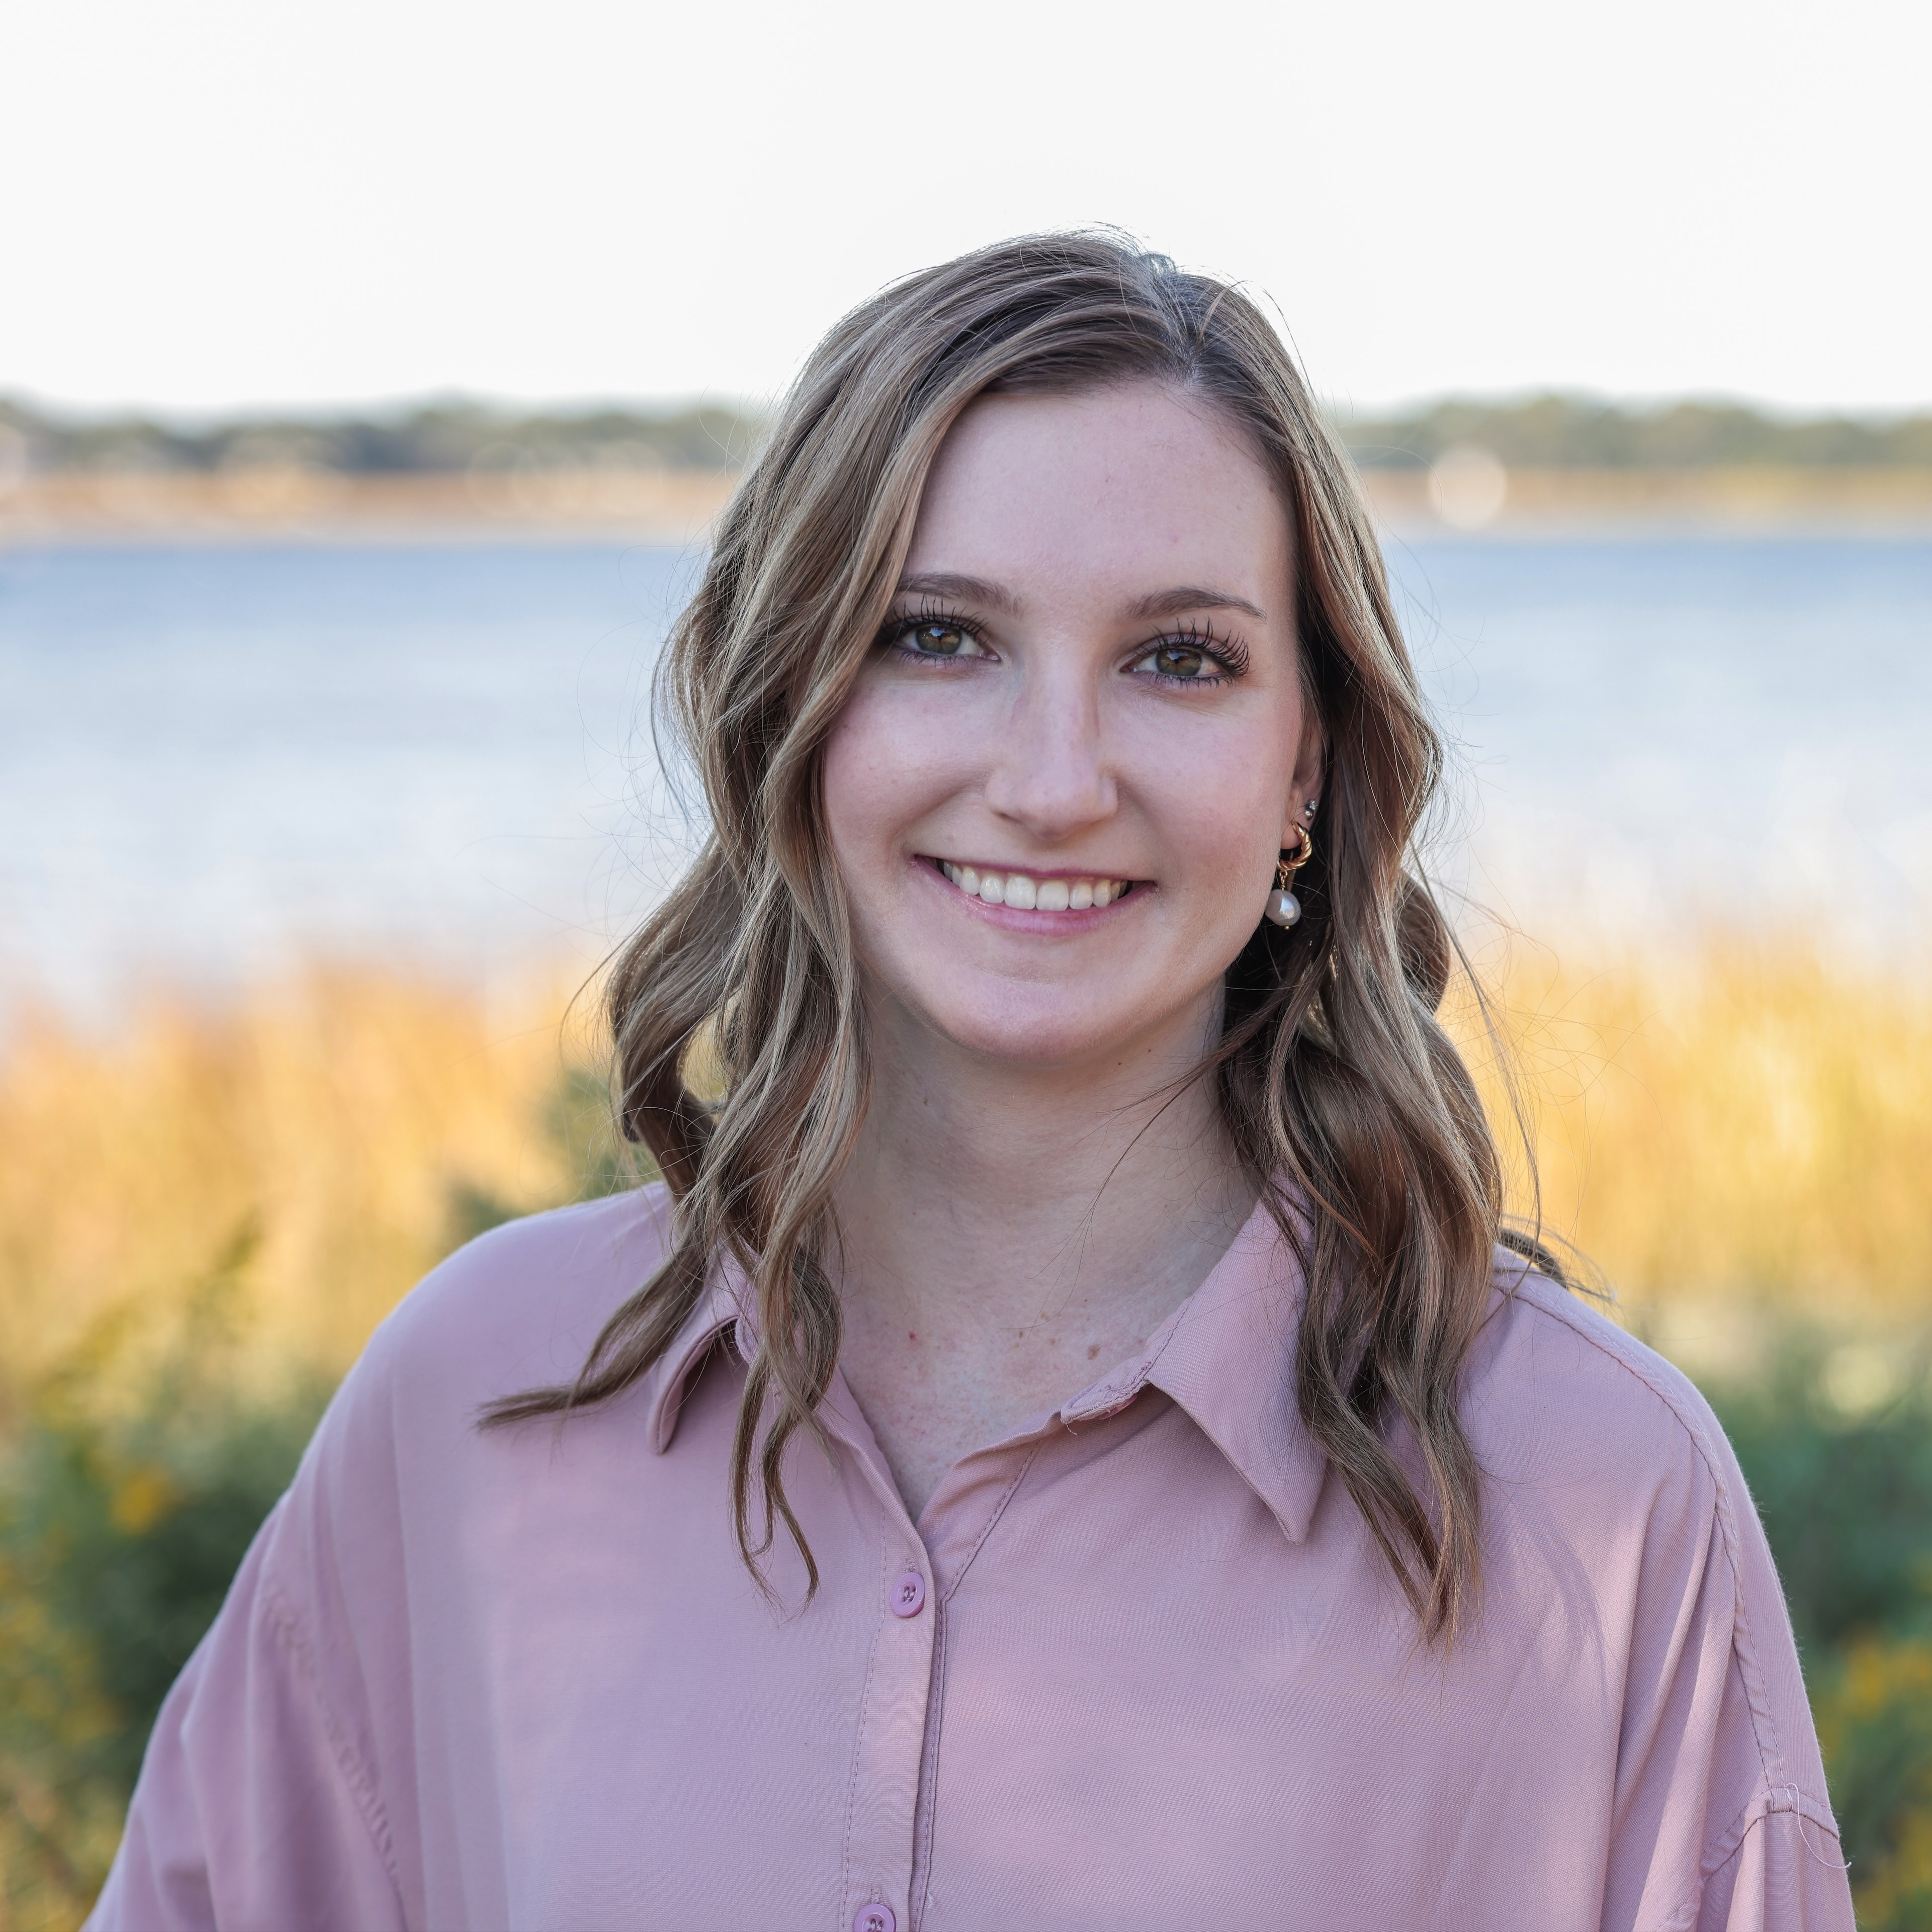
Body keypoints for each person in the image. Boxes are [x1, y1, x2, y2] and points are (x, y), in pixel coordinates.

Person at [87, 232, 1852, 1932]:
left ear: (1305, 760)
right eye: (939, 634)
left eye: (1180, 657)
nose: (1053, 777)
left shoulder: (1595, 1499)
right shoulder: (474, 1405)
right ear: (795, 704)